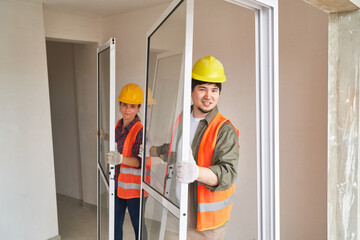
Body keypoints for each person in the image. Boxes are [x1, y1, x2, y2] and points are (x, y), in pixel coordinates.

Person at [148, 56, 240, 240]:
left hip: (206, 225)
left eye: (214, 90)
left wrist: (196, 172)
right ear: (192, 91)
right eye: (203, 89)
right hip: (176, 212)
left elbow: (228, 173)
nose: (209, 96)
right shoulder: (182, 118)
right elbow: (173, 151)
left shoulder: (224, 129)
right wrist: (151, 149)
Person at [106, 83, 147, 240]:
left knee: (138, 226)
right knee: (115, 223)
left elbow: (139, 162)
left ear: (138, 108)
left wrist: (121, 159)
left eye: (132, 106)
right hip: (117, 184)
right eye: (124, 105)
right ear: (119, 105)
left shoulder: (140, 130)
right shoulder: (118, 124)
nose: (127, 110)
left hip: (134, 189)